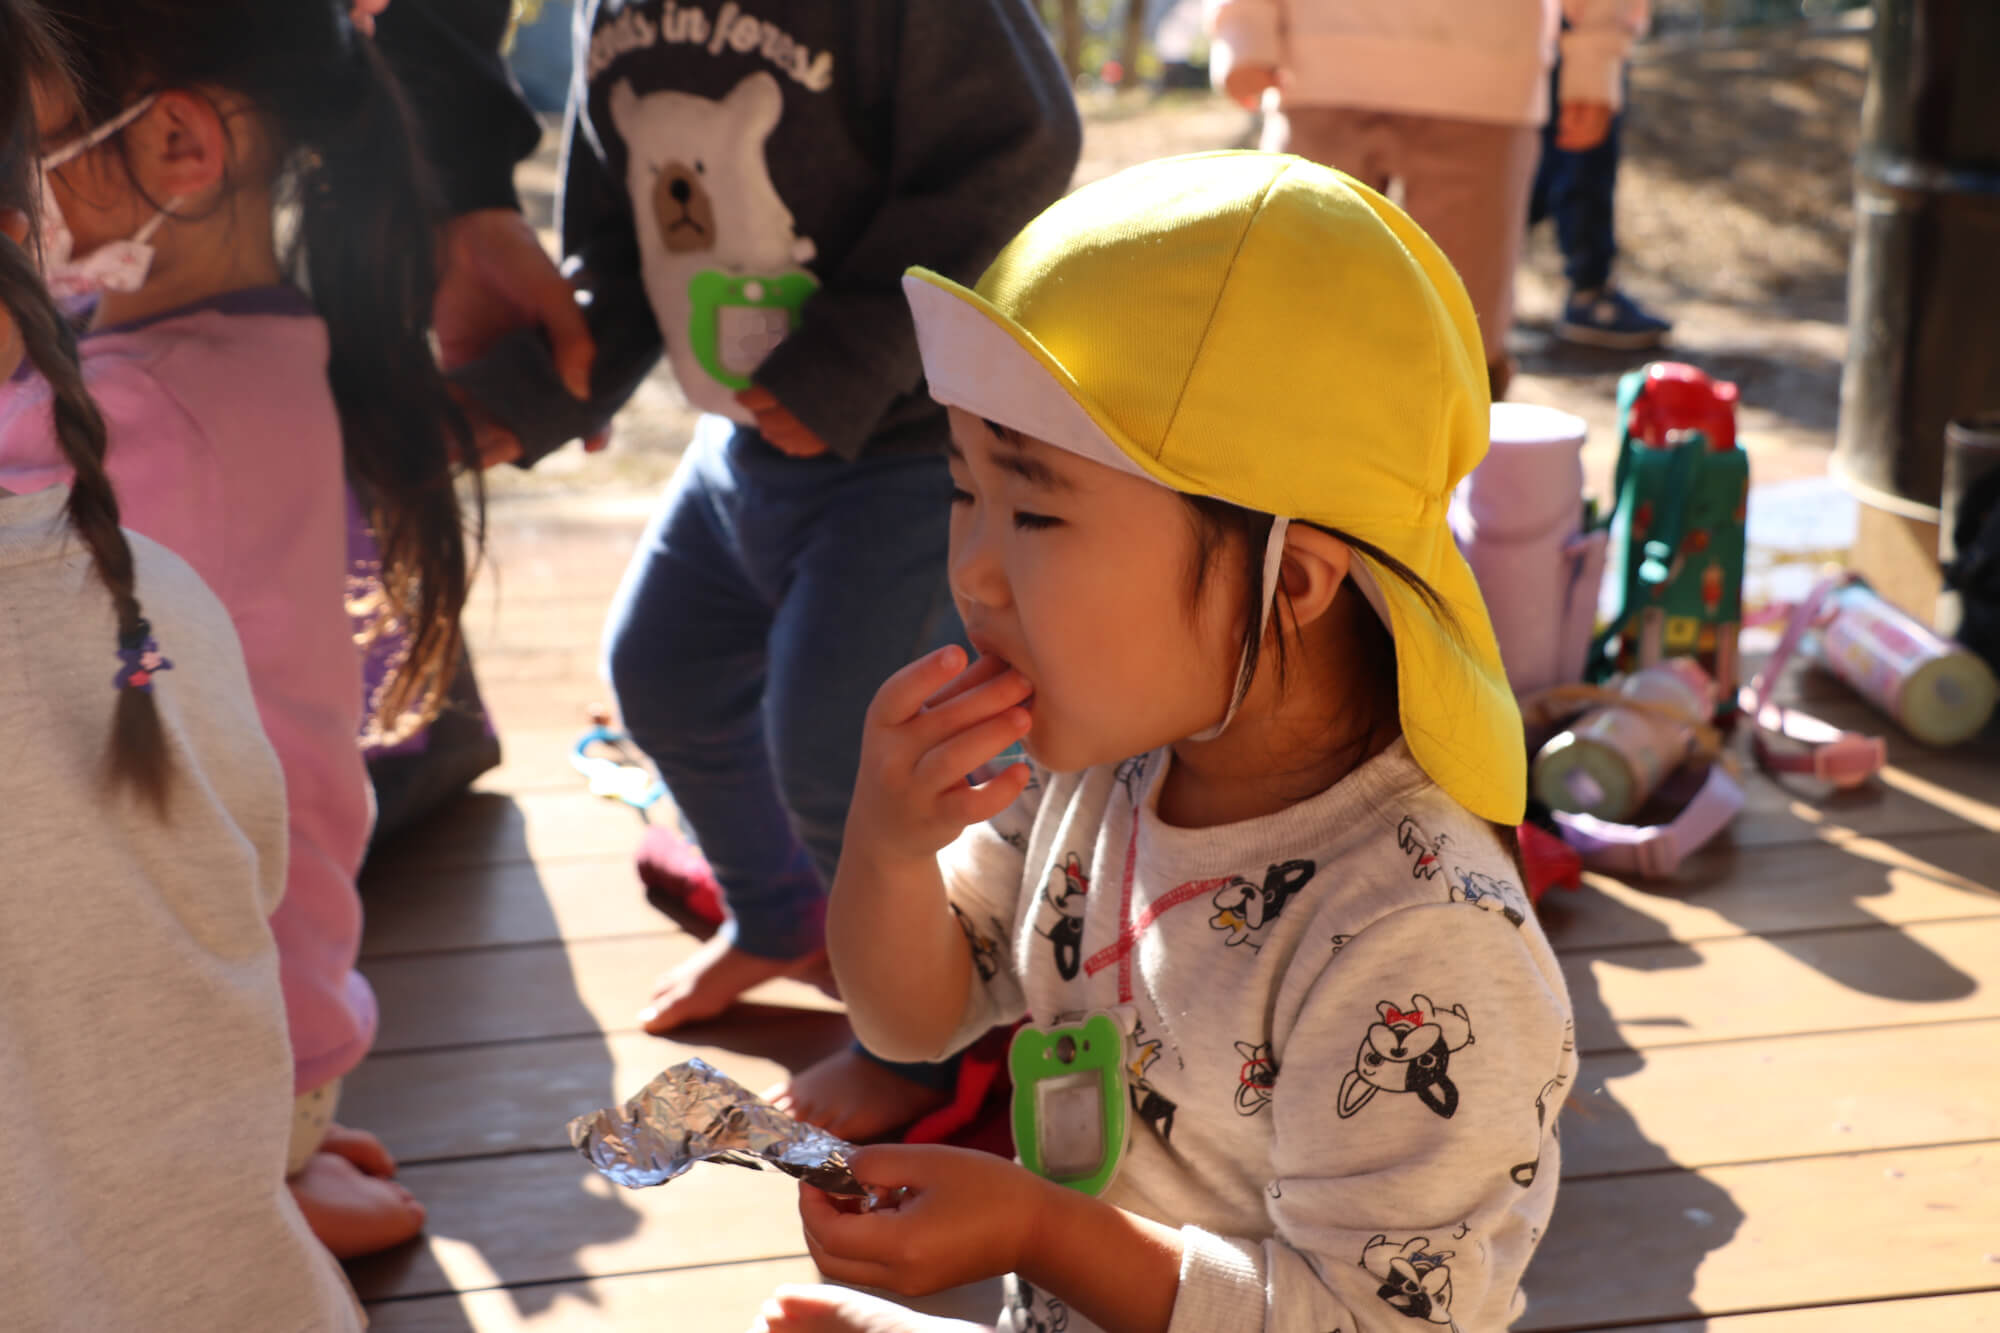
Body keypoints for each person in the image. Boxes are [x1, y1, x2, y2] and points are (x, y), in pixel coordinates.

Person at [751, 152, 1576, 1333]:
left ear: (1289, 577)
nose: (972, 569)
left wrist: (1041, 1229)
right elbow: (913, 1017)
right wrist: (886, 851)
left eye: (1033, 508)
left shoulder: (1419, 936)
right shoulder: (1104, 766)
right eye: (960, 491)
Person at [448, 0, 1082, 1139]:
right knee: (663, 674)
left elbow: (1016, 150)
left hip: (903, 445)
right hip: (737, 447)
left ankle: (927, 1036)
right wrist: (539, 389)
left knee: (834, 743)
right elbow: (619, 235)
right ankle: (782, 913)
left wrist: (843, 359)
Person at [0, 0, 477, 1257]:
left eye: (18, 144)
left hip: (202, 1071)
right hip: (283, 1034)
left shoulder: (129, 424)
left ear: (177, 148)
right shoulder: (248, 355)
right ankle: (283, 1159)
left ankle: (251, 1179)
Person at [1207, 0, 1647, 398]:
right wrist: (1243, 25)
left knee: (1462, 344)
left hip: (1487, 76)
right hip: (1316, 72)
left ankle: (1445, 484)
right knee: (1293, 320)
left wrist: (1597, 53)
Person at [1529, 39, 1673, 349]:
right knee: (1581, 153)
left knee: (1545, 160)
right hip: (1578, 28)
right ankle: (1590, 293)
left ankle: (1470, 277)